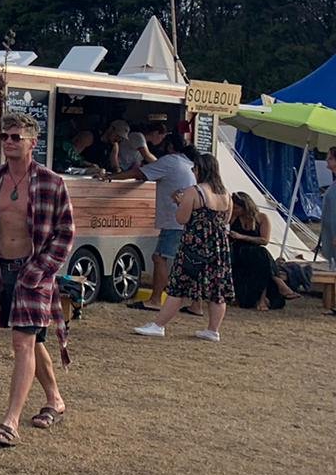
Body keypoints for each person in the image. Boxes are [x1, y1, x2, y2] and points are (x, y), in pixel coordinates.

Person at [0, 111, 76, 448]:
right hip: (1, 270)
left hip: (35, 272)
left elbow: (66, 234)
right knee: (33, 342)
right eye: (4, 136)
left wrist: (41, 270)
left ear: (33, 142)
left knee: (21, 342)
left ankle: (10, 422)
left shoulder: (51, 182)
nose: (8, 142)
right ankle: (55, 399)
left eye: (16, 137)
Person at [134, 153, 234, 340]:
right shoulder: (226, 194)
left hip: (195, 245)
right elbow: (226, 220)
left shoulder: (194, 192)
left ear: (200, 170)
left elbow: (181, 218)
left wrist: (180, 202)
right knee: (217, 289)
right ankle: (213, 330)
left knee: (179, 286)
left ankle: (159, 325)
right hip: (218, 246)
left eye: (194, 169)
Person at [107, 133, 195, 313]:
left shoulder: (171, 161)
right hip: (185, 219)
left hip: (173, 220)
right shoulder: (187, 162)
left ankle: (155, 300)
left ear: (170, 146)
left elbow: (139, 173)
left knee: (160, 258)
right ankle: (195, 303)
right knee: (186, 261)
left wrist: (111, 177)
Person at [227, 193, 295, 310]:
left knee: (260, 255)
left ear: (246, 207)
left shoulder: (262, 218)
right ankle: (277, 283)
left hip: (255, 251)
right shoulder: (232, 217)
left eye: (237, 208)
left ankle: (262, 298)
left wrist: (242, 237)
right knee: (260, 255)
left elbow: (264, 240)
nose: (235, 210)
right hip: (238, 252)